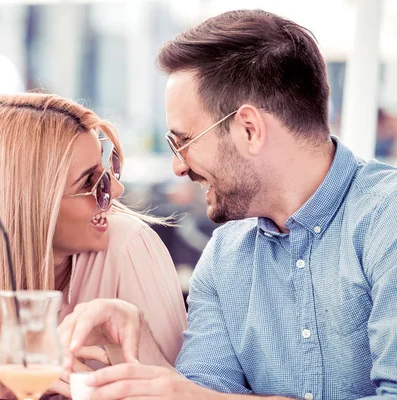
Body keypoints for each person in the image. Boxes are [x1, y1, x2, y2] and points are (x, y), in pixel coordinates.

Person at [57, 9, 397, 400]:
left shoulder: (385, 220)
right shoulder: (225, 254)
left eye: (182, 141)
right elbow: (201, 392)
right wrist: (138, 342)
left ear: (249, 129)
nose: (178, 166)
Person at [0, 93, 187, 398]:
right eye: (88, 184)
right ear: (27, 205)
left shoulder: (129, 249)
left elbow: (181, 390)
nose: (116, 191)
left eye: (110, 171)